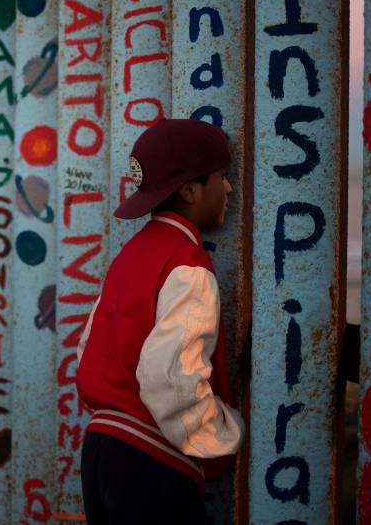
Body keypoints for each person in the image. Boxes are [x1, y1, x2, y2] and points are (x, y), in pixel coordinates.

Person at [76, 118, 245, 524]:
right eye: (221, 177)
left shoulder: (130, 256)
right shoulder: (189, 265)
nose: (229, 188)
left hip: (100, 451)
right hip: (149, 464)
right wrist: (225, 434)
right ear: (189, 190)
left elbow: (87, 352)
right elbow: (171, 381)